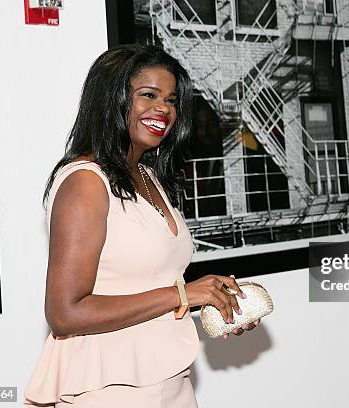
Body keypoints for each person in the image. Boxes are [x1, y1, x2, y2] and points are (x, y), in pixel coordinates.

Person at [24, 45, 256, 408]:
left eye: (171, 100)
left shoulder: (147, 174)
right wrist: (183, 295)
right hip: (110, 389)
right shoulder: (86, 181)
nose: (163, 109)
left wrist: (213, 302)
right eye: (148, 95)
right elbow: (65, 314)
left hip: (170, 379)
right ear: (111, 100)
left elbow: (148, 283)